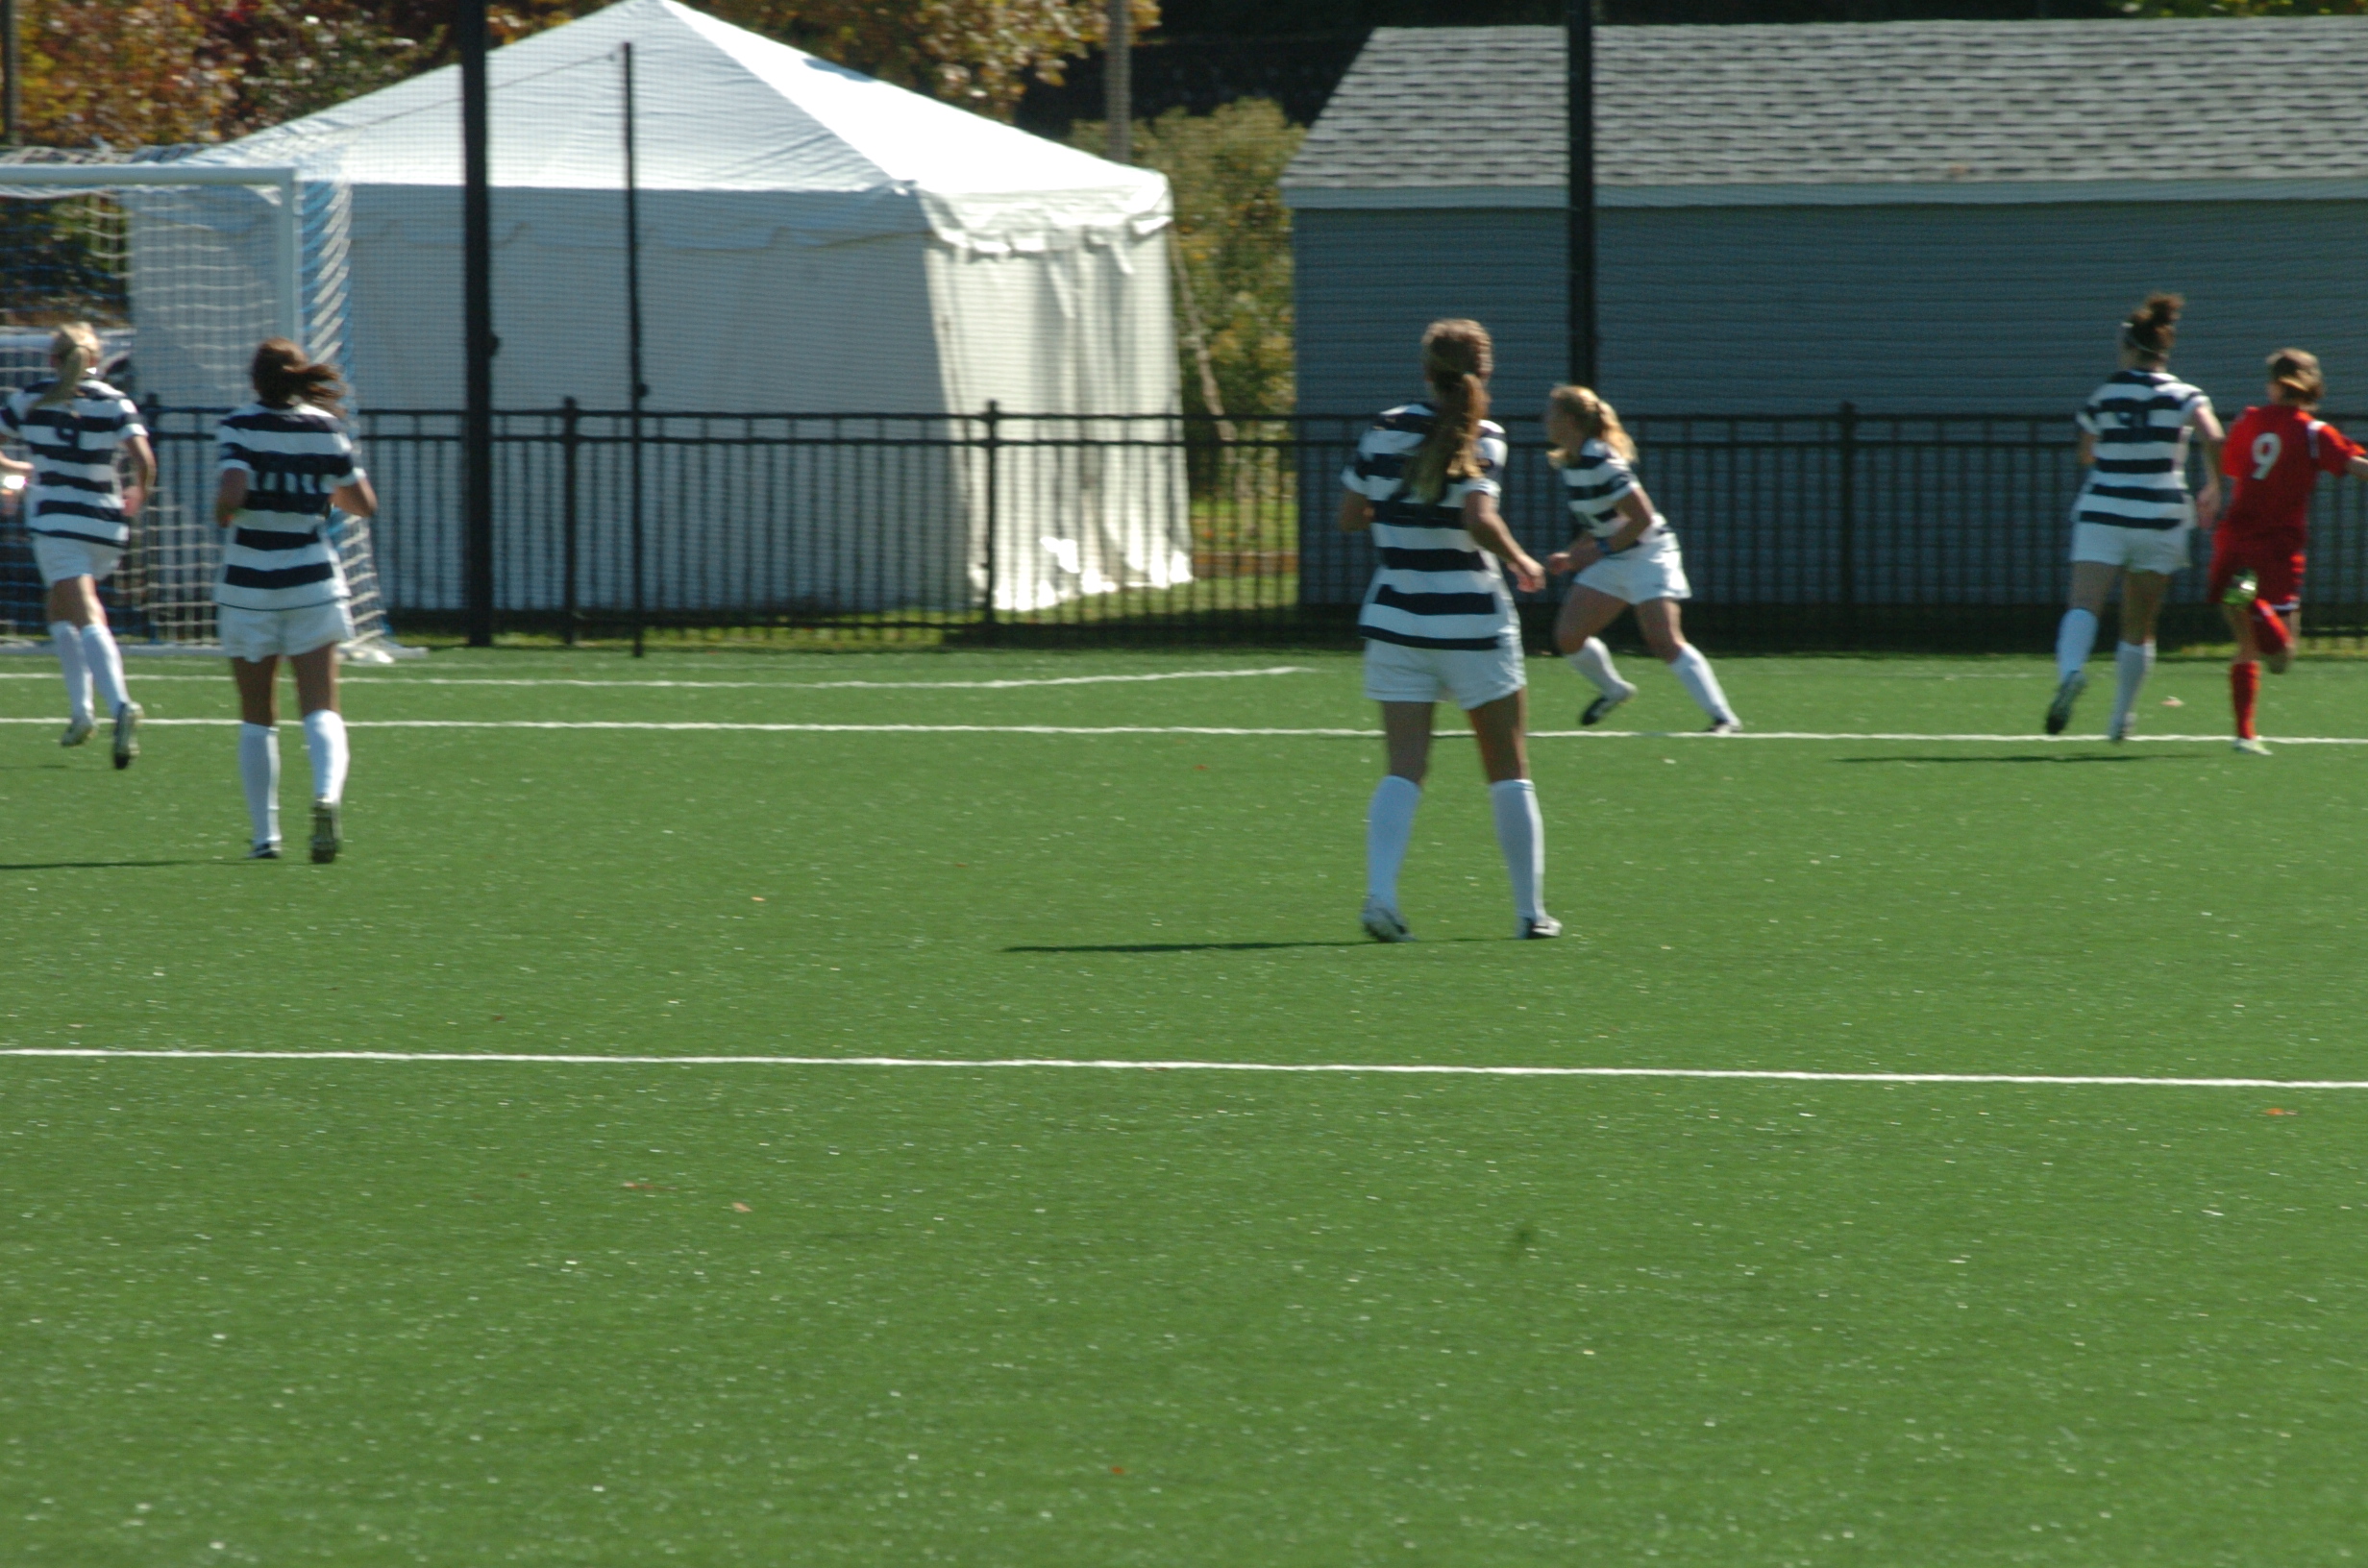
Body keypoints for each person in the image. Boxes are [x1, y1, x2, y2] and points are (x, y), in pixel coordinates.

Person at [1340, 318, 1559, 942]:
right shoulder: (1485, 433)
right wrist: (1520, 560)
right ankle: (1530, 913)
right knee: (1508, 767)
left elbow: (1350, 516)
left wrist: (1398, 509)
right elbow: (1478, 516)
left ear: (1425, 371)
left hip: (1395, 620)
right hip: (1472, 624)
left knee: (1404, 767)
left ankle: (1381, 898)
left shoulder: (1383, 427)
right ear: (1485, 373)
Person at [213, 338, 376, 862]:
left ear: (254, 379)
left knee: (257, 714)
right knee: (321, 706)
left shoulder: (239, 424)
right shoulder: (326, 428)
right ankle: (326, 795)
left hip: (249, 586)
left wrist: (224, 512)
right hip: (312, 582)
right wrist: (318, 491)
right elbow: (364, 503)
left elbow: (232, 493)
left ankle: (266, 837)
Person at [2047, 293, 2224, 741]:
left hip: (2103, 511)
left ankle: (2071, 672)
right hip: (2160, 516)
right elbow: (2214, 435)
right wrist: (2214, 485)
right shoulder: (2184, 394)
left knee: (2083, 604)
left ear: (2129, 347)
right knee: (2139, 624)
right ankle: (2120, 719)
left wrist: (2112, 457)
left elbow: (2085, 452)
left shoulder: (2106, 393)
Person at [1542, 384, 1741, 733]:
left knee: (1664, 640)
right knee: (1569, 637)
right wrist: (1572, 555)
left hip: (1649, 553)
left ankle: (1724, 718)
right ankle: (1614, 690)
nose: (1545, 419)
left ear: (1570, 421)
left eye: (1551, 413)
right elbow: (1601, 521)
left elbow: (1643, 518)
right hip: (1615, 555)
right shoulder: (1572, 462)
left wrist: (1597, 552)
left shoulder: (1601, 459)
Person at [0, 323, 155, 763]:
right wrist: (139, 492)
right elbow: (144, 460)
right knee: (59, 607)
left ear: (53, 359)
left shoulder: (32, 398)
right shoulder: (115, 401)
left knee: (84, 608)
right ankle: (81, 712)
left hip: (58, 522)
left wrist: (21, 470)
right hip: (107, 524)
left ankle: (120, 705)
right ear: (96, 360)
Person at [2208, 348, 2368, 755]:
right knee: (2281, 657)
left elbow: (2231, 464)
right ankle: (2257, 606)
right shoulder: (2314, 432)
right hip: (2276, 552)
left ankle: (2244, 735)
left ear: (2273, 386)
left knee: (2253, 645)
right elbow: (2356, 466)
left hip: (2236, 545)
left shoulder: (2248, 420)